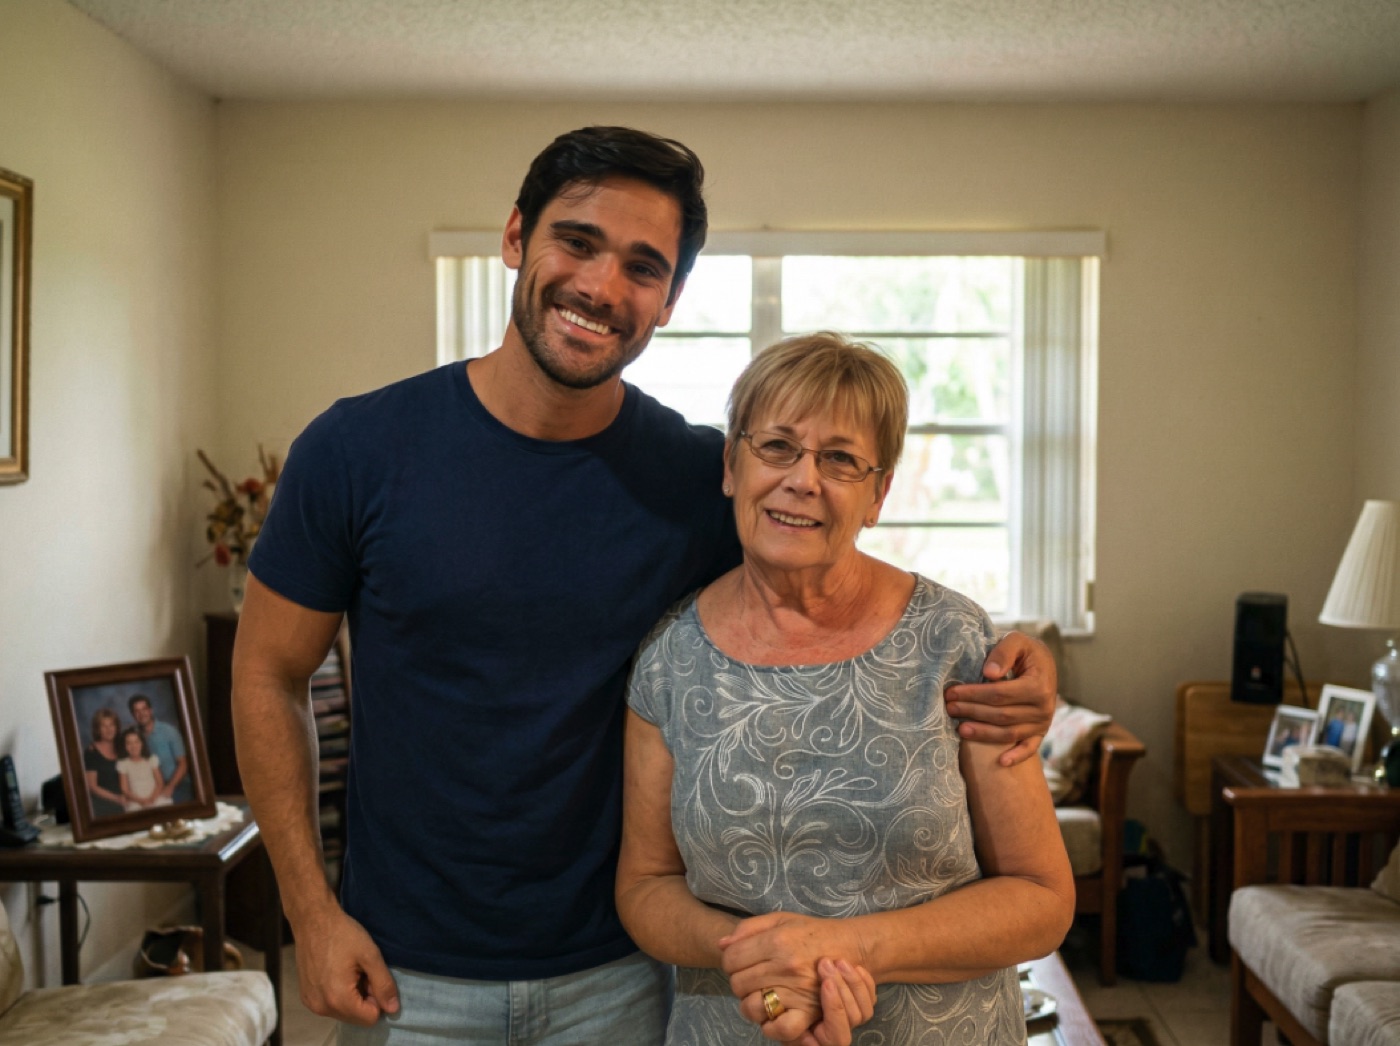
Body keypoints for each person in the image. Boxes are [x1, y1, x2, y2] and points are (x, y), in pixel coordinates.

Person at [232, 125, 1059, 1044]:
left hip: (623, 977)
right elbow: (267, 675)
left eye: (642, 265)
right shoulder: (356, 451)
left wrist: (1022, 667)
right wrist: (308, 910)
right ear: (515, 238)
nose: (599, 286)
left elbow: (832, 581)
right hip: (406, 970)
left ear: (668, 299)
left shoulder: (695, 476)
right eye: (576, 242)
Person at [617, 333, 1076, 1044]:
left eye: (839, 459)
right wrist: (759, 959)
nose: (804, 479)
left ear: (878, 493)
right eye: (776, 447)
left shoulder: (955, 643)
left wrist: (847, 948)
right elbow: (644, 887)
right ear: (731, 466)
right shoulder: (669, 659)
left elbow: (1042, 898)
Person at [128, 693, 192, 803]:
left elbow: (183, 763)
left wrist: (170, 787)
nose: (141, 714)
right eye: (137, 711)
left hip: (177, 783)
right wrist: (93, 747)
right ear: (133, 715)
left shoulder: (169, 731)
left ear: (150, 710)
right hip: (151, 787)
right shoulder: (135, 735)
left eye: (144, 709)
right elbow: (118, 746)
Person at [117, 726, 172, 811]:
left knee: (164, 805)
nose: (133, 746)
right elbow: (125, 789)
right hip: (136, 800)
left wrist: (151, 799)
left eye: (136, 742)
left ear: (142, 743)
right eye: (129, 743)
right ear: (124, 746)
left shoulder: (151, 759)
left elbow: (160, 783)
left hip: (155, 796)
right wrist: (141, 801)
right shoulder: (123, 764)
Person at [83, 707, 126, 818]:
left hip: (126, 800)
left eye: (112, 725)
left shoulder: (122, 747)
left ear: (117, 727)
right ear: (97, 729)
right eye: (104, 726)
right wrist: (116, 798)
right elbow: (92, 786)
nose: (109, 729)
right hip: (103, 805)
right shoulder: (91, 752)